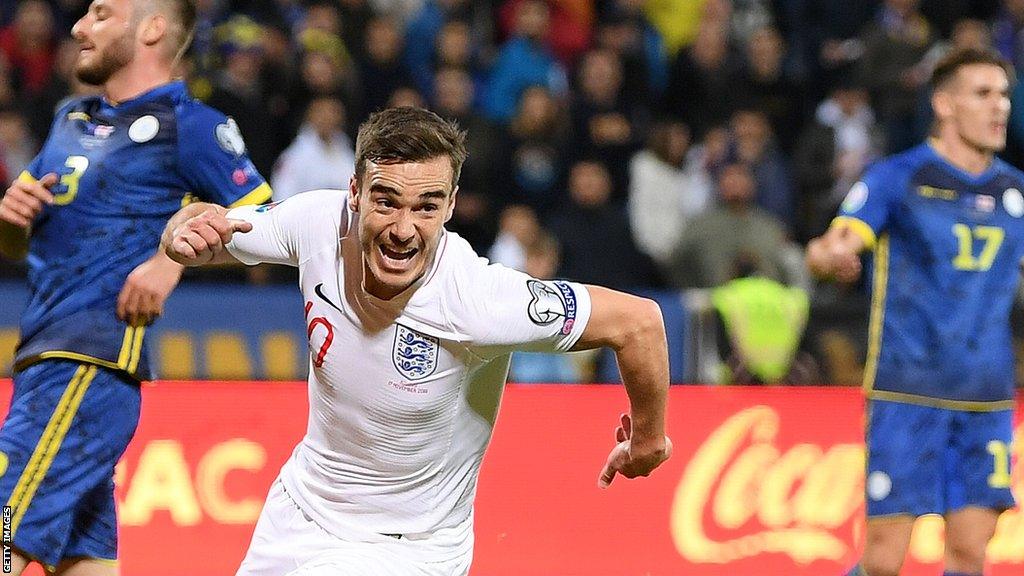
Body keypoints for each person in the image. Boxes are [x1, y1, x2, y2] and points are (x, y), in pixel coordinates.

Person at [162, 106, 672, 575]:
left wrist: (648, 440)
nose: (404, 229)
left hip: (407, 548)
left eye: (427, 207)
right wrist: (182, 234)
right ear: (355, 192)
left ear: (450, 205)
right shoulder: (316, 221)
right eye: (386, 202)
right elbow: (213, 234)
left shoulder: (476, 298)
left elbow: (638, 322)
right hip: (298, 514)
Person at [0, 0, 271, 574]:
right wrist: (9, 223)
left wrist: (172, 259)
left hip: (86, 361)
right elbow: (18, 247)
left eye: (101, 13)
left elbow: (267, 227)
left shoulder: (192, 127)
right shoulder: (70, 117)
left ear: (151, 28)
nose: (78, 27)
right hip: (44, 358)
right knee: (86, 562)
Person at [806, 48, 1019, 576]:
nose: (1000, 107)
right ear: (944, 103)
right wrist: (832, 256)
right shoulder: (898, 177)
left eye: (1005, 94)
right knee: (884, 558)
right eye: (983, 93)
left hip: (986, 396)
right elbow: (833, 242)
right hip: (906, 391)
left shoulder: (1015, 190)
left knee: (971, 551)